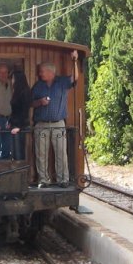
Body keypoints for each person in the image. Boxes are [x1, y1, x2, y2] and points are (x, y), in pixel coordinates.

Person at [31, 50, 78, 187]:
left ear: (50, 72)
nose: (40, 74)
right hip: (41, 124)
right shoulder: (38, 86)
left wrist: (74, 61)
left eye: (42, 71)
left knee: (61, 153)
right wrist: (40, 102)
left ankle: (63, 180)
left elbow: (75, 78)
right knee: (41, 154)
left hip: (58, 124)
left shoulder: (62, 82)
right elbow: (30, 103)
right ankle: (43, 180)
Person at [8, 69, 31, 161]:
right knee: (14, 152)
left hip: (20, 125)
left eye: (13, 78)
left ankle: (21, 174)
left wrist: (20, 127)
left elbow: (25, 111)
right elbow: (14, 110)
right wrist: (10, 121)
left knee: (19, 153)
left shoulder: (25, 92)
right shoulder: (16, 92)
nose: (12, 80)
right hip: (14, 123)